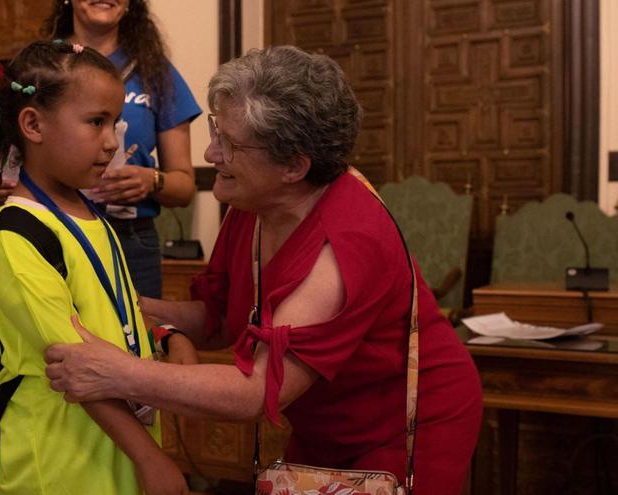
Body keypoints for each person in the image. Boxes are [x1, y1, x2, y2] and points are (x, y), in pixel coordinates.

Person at [44, 46, 483, 495]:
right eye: (215, 128)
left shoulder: (346, 242)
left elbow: (254, 391)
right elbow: (218, 316)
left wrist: (118, 373)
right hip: (325, 422)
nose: (211, 153)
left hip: (411, 425)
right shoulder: (253, 203)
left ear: (293, 165)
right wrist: (129, 305)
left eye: (229, 142)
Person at [0, 40, 189, 495]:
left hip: (117, 446)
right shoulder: (18, 238)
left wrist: (164, 336)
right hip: (60, 461)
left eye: (114, 122)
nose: (112, 141)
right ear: (33, 124)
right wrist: (151, 458)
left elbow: (114, 313)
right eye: (96, 122)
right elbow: (73, 362)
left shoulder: (91, 215)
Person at [0, 0, 201, 299]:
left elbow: (184, 186)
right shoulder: (38, 68)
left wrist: (152, 180)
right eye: (95, 121)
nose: (110, 142)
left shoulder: (156, 72)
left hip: (128, 240)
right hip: (45, 227)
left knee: (137, 335)